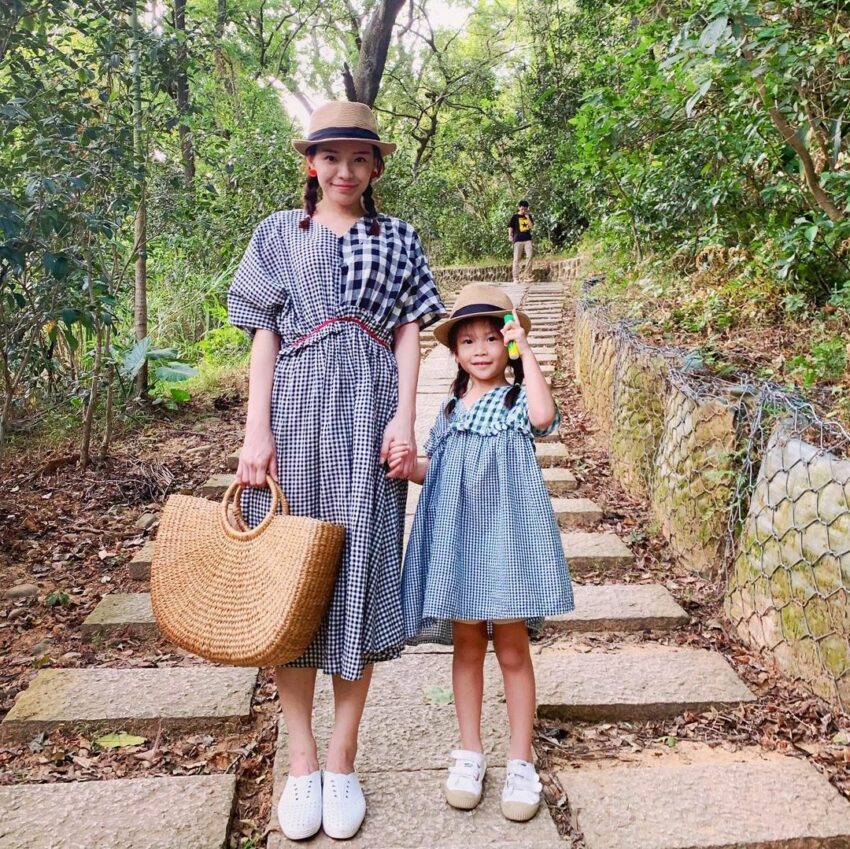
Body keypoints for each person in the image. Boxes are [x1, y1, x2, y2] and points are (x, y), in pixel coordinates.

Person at [227, 101, 445, 841]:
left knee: (357, 571)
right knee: (291, 582)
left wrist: (403, 418)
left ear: (377, 167)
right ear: (311, 165)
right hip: (293, 416)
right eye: (331, 158)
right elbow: (263, 335)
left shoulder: (400, 238)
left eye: (359, 159)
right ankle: (301, 761)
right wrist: (256, 432)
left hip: (369, 415)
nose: (344, 171)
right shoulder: (277, 236)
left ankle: (344, 761)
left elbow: (413, 331)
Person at [388, 284, 574, 823]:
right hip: (459, 543)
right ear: (454, 353)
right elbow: (437, 470)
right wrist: (409, 467)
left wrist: (526, 350)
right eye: (467, 340)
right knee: (466, 645)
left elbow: (544, 415)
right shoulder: (448, 408)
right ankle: (469, 751)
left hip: (508, 540)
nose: (481, 349)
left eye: (493, 338)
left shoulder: (515, 401)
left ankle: (520, 759)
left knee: (512, 647)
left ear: (506, 343)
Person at [508, 200, 534, 283]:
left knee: (529, 256)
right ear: (519, 208)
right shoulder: (515, 216)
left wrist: (527, 217)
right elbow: (510, 226)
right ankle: (515, 277)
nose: (523, 211)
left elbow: (531, 226)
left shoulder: (528, 216)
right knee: (516, 259)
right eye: (522, 209)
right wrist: (510, 235)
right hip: (517, 240)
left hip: (527, 239)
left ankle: (527, 276)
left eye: (525, 209)